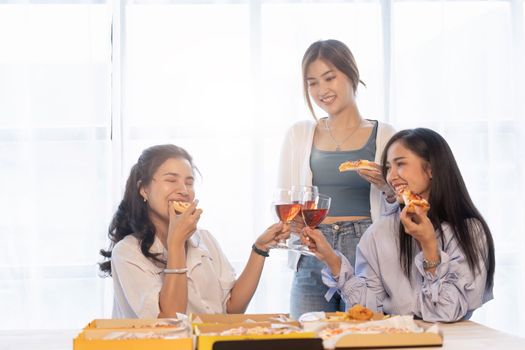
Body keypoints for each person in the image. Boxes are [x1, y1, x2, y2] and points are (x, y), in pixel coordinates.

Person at [301, 128, 496, 322]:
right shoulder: (380, 232)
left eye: (400, 164)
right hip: (396, 338)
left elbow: (447, 312)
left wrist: (429, 245)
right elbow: (368, 311)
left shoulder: (469, 231)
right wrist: (331, 259)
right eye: (388, 168)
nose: (391, 176)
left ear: (431, 169)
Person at [277, 39, 397, 318]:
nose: (322, 90)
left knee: (365, 338)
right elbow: (285, 198)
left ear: (351, 74)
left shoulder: (386, 135)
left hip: (367, 252)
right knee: (306, 339)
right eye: (312, 83)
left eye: (329, 78)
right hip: (313, 250)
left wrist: (385, 185)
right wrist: (289, 222)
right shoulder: (299, 134)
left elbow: (401, 206)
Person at [99, 144, 289, 318]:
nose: (183, 190)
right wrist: (176, 244)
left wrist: (260, 249)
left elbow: (232, 308)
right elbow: (170, 320)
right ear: (144, 190)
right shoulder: (127, 252)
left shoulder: (205, 239)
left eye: (189, 183)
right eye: (171, 180)